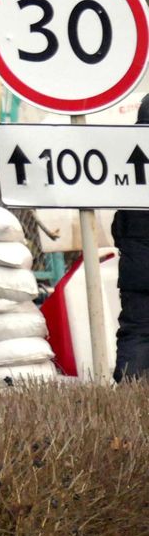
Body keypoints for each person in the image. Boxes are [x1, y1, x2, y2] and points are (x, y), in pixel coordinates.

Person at [113, 95, 149, 380]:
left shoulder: (127, 161)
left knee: (136, 333)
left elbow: (119, 227)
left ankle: (128, 397)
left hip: (137, 272)